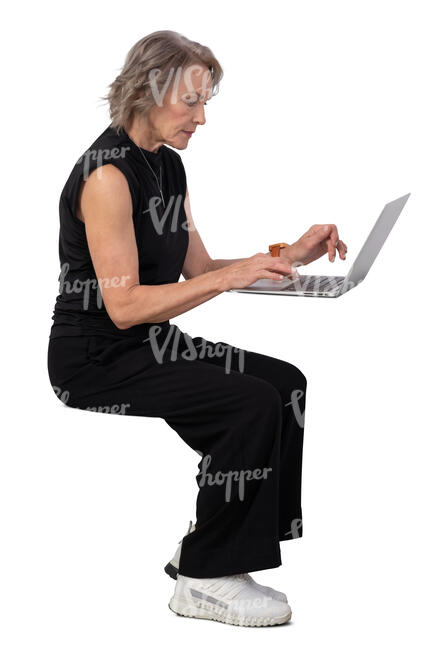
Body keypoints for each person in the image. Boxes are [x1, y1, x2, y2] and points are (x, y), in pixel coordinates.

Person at [47, 30, 347, 627]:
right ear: (146, 91)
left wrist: (294, 255)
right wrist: (229, 279)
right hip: (96, 355)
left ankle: (208, 545)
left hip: (145, 342)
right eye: (192, 102)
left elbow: (203, 270)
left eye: (207, 102)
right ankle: (205, 578)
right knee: (250, 404)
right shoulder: (106, 177)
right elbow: (125, 307)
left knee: (284, 384)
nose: (203, 118)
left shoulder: (168, 168)